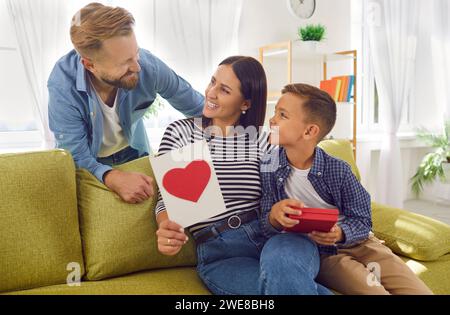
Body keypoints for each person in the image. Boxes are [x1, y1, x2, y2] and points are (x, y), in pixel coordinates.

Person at [155, 56, 330, 295]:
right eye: (212, 82)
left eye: (224, 90)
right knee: (283, 287)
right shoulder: (182, 133)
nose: (210, 93)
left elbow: (293, 186)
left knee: (283, 272)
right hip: (222, 253)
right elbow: (167, 199)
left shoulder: (263, 140)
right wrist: (167, 226)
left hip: (277, 237)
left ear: (245, 103)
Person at [260, 83, 433, 295]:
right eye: (275, 112)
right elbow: (264, 221)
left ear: (309, 131)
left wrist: (341, 233)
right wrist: (274, 217)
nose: (272, 120)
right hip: (325, 254)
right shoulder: (269, 166)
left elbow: (363, 218)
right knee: (373, 291)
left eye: (282, 115)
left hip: (362, 243)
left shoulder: (338, 170)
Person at [48, 3, 204, 204]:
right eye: (124, 63)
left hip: (135, 151)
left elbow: (196, 105)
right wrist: (112, 177)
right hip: (90, 163)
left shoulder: (148, 66)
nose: (137, 66)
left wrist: (229, 138)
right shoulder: (62, 86)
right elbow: (75, 155)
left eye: (135, 54)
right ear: (90, 65)